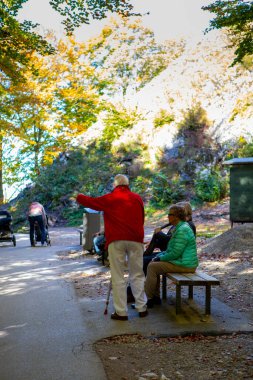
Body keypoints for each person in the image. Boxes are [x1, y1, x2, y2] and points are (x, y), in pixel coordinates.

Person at [76, 174, 148, 320]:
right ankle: (142, 308)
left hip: (116, 240)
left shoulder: (110, 198)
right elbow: (142, 217)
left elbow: (92, 202)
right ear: (127, 184)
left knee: (118, 276)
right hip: (136, 239)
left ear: (115, 185)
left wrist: (79, 196)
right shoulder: (137, 198)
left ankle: (121, 312)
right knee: (137, 274)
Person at [145, 204, 198, 308]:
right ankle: (154, 297)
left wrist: (160, 258)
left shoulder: (182, 230)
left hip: (186, 264)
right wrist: (159, 255)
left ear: (176, 217)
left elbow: (175, 253)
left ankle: (149, 299)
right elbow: (170, 249)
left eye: (169, 214)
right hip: (182, 261)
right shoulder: (179, 227)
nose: (167, 217)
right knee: (153, 263)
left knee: (152, 266)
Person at [143, 201, 196, 275]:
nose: (177, 210)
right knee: (145, 259)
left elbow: (174, 244)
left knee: (146, 260)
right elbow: (170, 241)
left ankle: (143, 284)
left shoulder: (187, 226)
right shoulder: (177, 224)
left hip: (178, 258)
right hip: (169, 253)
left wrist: (158, 233)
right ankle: (141, 284)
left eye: (179, 209)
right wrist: (155, 244)